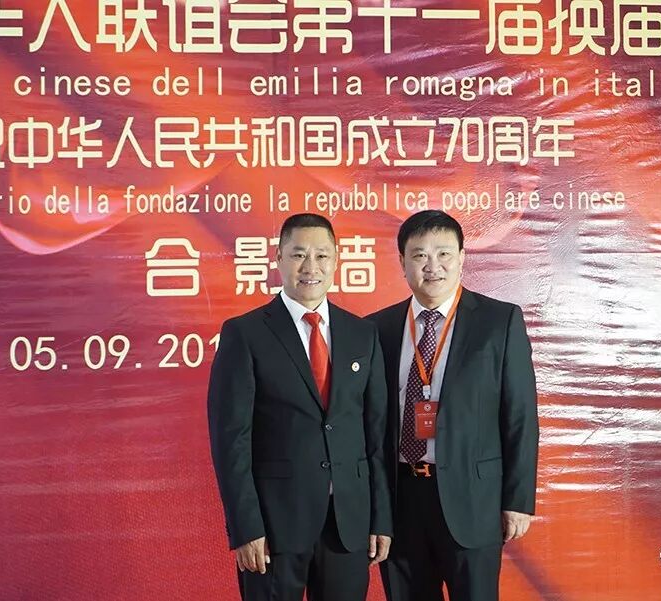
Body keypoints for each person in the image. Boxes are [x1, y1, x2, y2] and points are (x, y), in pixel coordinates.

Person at [208, 213, 393, 601]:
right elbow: (231, 442)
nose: (311, 267)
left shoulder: (363, 334)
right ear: (278, 258)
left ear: (336, 260)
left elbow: (376, 435)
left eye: (322, 255)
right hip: (274, 528)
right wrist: (245, 527)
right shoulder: (245, 333)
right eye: (298, 255)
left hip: (347, 525)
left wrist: (381, 518)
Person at [368, 210, 539, 601]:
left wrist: (517, 500)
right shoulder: (377, 328)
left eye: (444, 253)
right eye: (419, 255)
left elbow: (519, 417)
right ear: (402, 262)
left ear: (462, 258)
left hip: (473, 500)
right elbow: (371, 426)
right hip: (401, 501)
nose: (433, 266)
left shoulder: (499, 321)